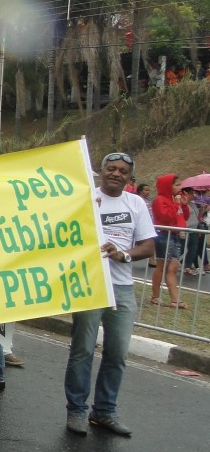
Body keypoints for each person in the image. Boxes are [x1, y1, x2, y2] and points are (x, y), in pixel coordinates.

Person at [65, 152, 155, 436]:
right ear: (101, 171)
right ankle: (76, 411)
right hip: (89, 286)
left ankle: (104, 412)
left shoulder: (136, 203)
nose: (116, 174)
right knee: (82, 350)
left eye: (123, 171)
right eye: (111, 168)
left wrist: (123, 255)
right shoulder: (85, 197)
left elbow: (148, 246)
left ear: (129, 177)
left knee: (116, 354)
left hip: (123, 289)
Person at [150, 174, 187, 309]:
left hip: (175, 235)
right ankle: (155, 296)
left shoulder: (174, 199)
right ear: (168, 186)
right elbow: (166, 217)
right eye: (177, 185)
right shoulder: (160, 200)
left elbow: (183, 216)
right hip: (164, 235)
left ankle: (175, 299)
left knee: (173, 268)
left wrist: (183, 205)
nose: (180, 188)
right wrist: (176, 204)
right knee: (161, 266)